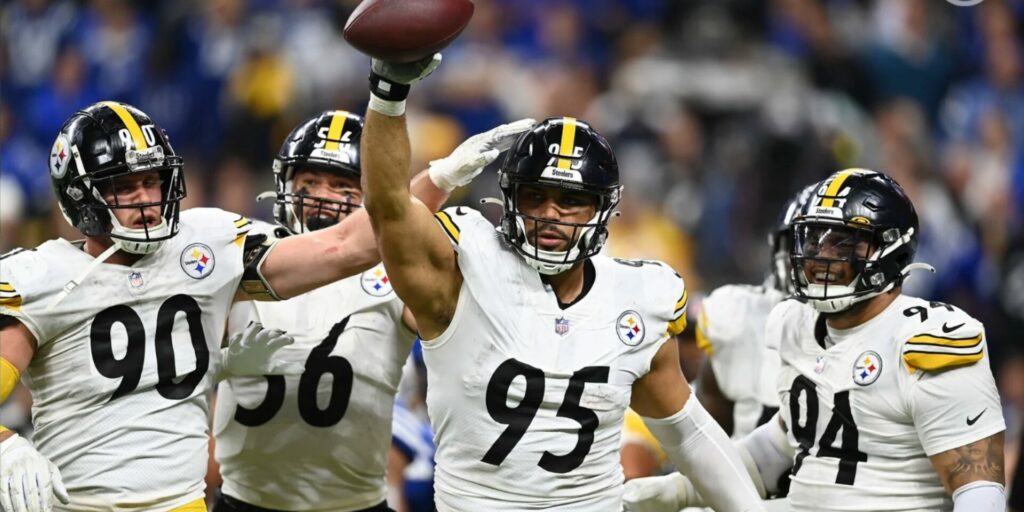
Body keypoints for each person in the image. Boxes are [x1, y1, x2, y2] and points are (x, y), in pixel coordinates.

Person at [357, 54, 763, 511]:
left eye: (571, 201)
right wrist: (389, 94)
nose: (551, 213)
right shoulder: (463, 267)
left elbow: (687, 432)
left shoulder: (638, 297)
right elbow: (388, 209)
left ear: (603, 210)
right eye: (536, 196)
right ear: (509, 198)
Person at [0, 100, 438, 512]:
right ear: (82, 197)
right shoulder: (42, 277)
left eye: (151, 181)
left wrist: (424, 152)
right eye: (124, 187)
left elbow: (349, 245)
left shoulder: (206, 242)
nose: (146, 200)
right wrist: (6, 444)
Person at [624, 169, 1007, 511]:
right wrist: (679, 490)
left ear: (891, 248)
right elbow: (778, 448)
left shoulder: (926, 339)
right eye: (815, 240)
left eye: (844, 243)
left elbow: (979, 490)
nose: (821, 256)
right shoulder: (795, 323)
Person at [210, 110, 532, 512]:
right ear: (284, 184)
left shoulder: (395, 272)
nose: (322, 197)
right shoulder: (246, 251)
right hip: (244, 500)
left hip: (354, 503)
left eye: (343, 186)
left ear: (370, 193)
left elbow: (454, 327)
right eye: (309, 182)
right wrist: (212, 367)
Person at [694, 184, 816, 439]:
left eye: (840, 246)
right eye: (809, 244)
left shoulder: (891, 335)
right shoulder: (738, 316)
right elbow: (703, 445)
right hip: (746, 476)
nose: (823, 259)